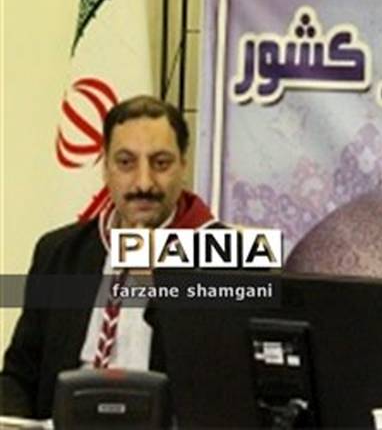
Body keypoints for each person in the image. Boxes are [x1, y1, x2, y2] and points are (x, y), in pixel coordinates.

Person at [0, 95, 220, 419]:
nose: (144, 183)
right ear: (105, 168)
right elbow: (19, 375)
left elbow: (221, 387)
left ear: (183, 167)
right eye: (126, 163)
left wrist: (158, 284)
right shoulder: (59, 252)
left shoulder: (227, 256)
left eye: (161, 163)